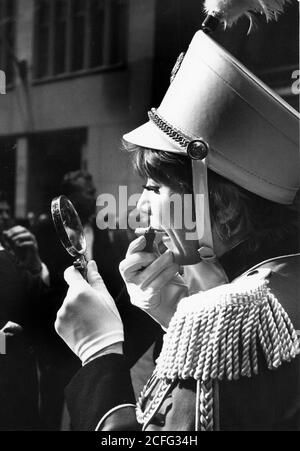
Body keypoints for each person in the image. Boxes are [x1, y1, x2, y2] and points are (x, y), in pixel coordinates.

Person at [55, 2, 300, 431]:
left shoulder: (231, 313)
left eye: (154, 189)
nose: (141, 209)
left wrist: (100, 357)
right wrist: (179, 315)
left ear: (223, 208)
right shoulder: (271, 288)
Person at [0, 190, 50, 430]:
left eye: (7, 212)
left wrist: (34, 263)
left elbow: (40, 301)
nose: (5, 218)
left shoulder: (7, 257)